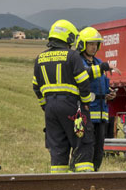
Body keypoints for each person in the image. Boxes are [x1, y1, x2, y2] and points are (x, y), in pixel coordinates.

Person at [32, 19, 93, 174]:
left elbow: (36, 86)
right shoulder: (72, 56)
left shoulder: (40, 58)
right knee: (82, 142)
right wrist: (85, 103)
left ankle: (59, 185)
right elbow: (83, 82)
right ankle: (83, 181)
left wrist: (44, 106)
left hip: (51, 108)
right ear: (69, 37)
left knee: (58, 148)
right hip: (71, 105)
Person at [77, 27, 120, 171]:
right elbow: (85, 74)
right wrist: (102, 67)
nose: (94, 47)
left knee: (99, 151)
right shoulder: (78, 62)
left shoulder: (98, 62)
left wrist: (110, 94)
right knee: (86, 148)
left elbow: (103, 84)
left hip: (101, 114)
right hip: (87, 113)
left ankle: (94, 174)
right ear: (83, 44)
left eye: (96, 44)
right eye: (90, 44)